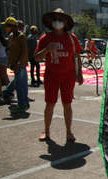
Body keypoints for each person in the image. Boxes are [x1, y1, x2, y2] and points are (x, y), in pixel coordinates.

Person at [34, 8, 83, 142]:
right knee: (50, 103)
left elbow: (77, 56)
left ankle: (69, 132)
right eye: (55, 19)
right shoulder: (45, 38)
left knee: (67, 104)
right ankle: (46, 130)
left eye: (61, 19)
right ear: (51, 22)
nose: (58, 22)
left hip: (68, 76)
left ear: (66, 22)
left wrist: (80, 74)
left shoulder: (71, 38)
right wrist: (47, 49)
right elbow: (37, 58)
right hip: (51, 76)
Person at [1, 17, 29, 113]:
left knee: (20, 86)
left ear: (12, 26)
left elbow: (24, 52)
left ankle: (22, 105)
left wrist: (17, 64)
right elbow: (11, 50)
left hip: (20, 65)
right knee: (20, 84)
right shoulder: (12, 36)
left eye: (7, 26)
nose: (5, 28)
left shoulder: (21, 36)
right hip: (15, 65)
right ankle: (24, 103)